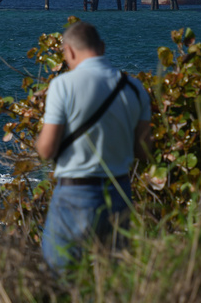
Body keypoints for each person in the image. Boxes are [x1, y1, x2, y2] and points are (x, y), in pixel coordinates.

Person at [35, 21, 152, 272]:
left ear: (69, 51)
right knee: (113, 276)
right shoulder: (135, 88)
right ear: (102, 47)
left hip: (76, 194)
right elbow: (143, 151)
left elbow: (46, 150)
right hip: (119, 192)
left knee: (61, 276)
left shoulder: (63, 85)